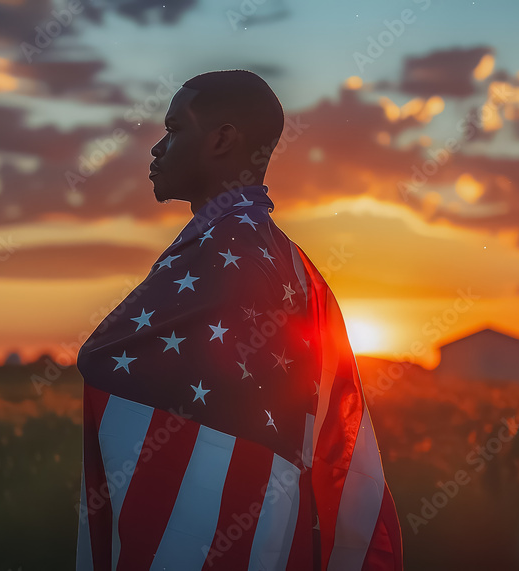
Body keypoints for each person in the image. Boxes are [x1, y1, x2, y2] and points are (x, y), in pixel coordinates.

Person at [75, 70, 403, 571]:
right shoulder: (275, 252)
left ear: (222, 138)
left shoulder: (227, 250)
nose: (156, 149)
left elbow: (106, 360)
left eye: (174, 129)